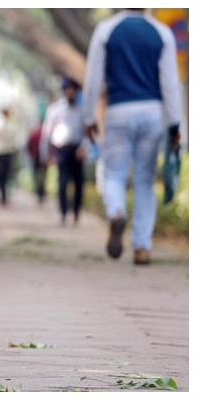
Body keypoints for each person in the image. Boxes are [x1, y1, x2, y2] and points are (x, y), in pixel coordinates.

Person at [82, 9, 183, 265]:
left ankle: (116, 212)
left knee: (114, 173)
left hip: (119, 111)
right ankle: (142, 246)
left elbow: (93, 78)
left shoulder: (106, 30)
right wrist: (175, 123)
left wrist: (88, 118)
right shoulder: (162, 32)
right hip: (153, 112)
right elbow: (170, 82)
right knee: (145, 179)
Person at [40, 77, 87, 225]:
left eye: (73, 89)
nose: (71, 92)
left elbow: (88, 132)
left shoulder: (82, 110)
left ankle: (76, 212)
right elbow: (46, 133)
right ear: (65, 91)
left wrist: (84, 147)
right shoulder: (55, 110)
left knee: (79, 183)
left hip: (77, 150)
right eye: (68, 89)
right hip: (62, 150)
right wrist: (45, 154)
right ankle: (63, 212)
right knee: (63, 182)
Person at [0, 106, 19, 207]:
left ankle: (3, 197)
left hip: (3, 152)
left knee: (4, 176)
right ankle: (2, 197)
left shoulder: (0, 121)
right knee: (2, 176)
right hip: (2, 152)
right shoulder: (1, 122)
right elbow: (5, 134)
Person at [26, 116, 47, 206]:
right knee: (42, 176)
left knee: (38, 175)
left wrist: (31, 154)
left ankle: (39, 192)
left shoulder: (35, 132)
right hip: (42, 157)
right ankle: (41, 192)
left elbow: (28, 145)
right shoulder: (45, 132)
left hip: (37, 157)